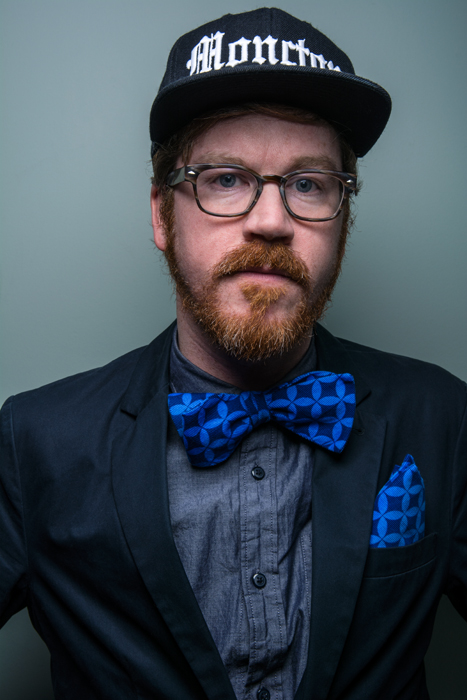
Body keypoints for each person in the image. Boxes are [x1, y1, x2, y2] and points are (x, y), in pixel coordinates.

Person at [0, 7, 465, 700]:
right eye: (224, 178)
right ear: (162, 214)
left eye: (309, 184)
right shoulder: (35, 440)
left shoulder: (441, 418)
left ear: (343, 220)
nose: (271, 220)